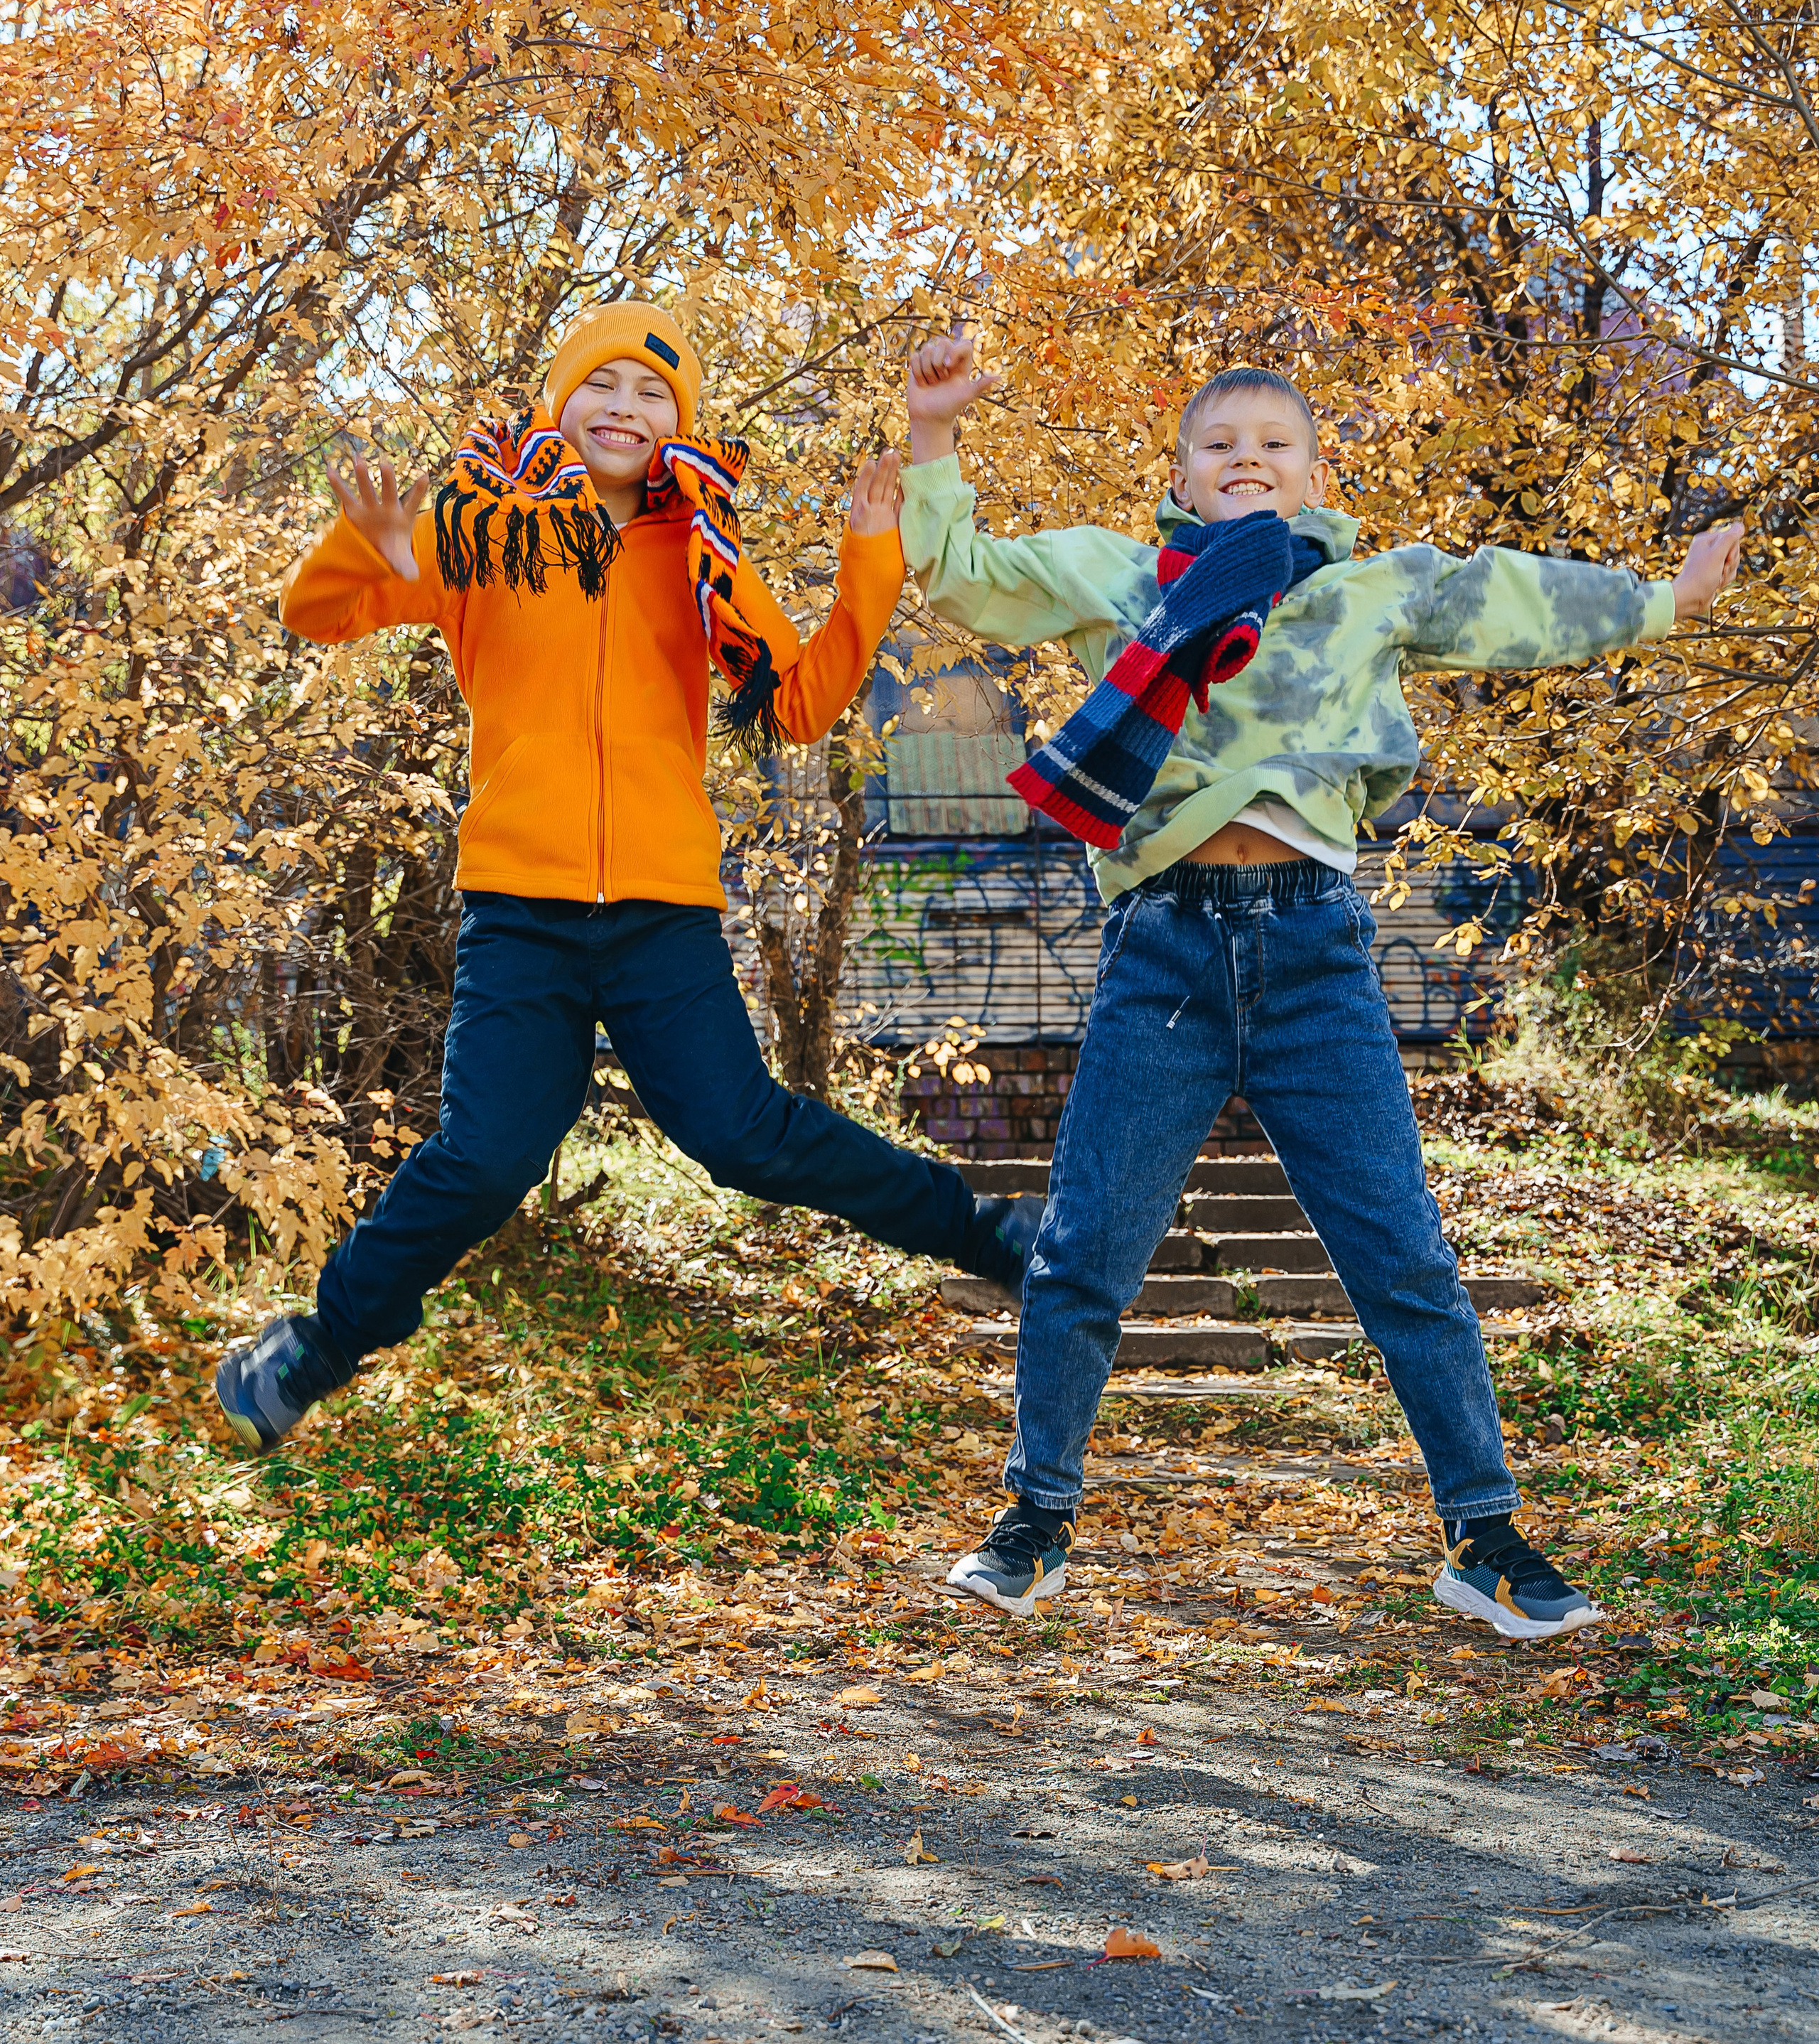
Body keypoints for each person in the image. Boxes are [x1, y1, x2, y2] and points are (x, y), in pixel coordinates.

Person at [884, 333, 1744, 1640]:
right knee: (1086, 1249)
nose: (1247, 461)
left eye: (1273, 446)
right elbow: (973, 577)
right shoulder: (1126, 578)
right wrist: (936, 438)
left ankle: (1485, 1532)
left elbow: (1511, 601)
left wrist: (1663, 600)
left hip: (1314, 955)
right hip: (1164, 950)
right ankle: (1036, 1517)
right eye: (1220, 446)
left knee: (1400, 1251)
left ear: (1313, 472)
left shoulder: (1367, 588)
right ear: (1180, 473)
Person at [213, 304, 1039, 1454]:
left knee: (745, 1135)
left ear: (679, 424)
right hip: (523, 910)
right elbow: (318, 611)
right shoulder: (484, 529)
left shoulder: (699, 550)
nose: (626, 408)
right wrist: (373, 547)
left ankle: (995, 1240)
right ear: (563, 400)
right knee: (490, 1149)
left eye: (655, 394)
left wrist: (867, 557)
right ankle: (312, 1350)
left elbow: (799, 704)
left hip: (660, 910)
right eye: (604, 384)